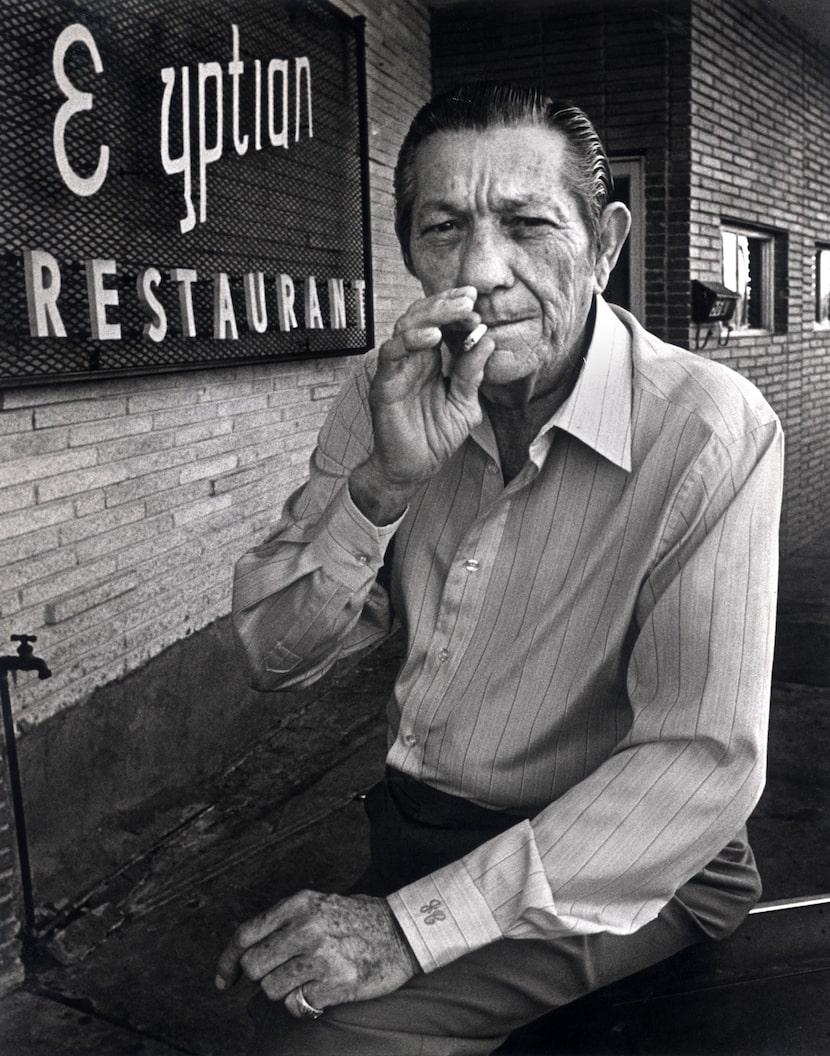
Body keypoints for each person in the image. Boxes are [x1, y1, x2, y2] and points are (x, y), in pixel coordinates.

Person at [215, 81, 783, 1055]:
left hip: (638, 861)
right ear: (408, 251)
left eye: (526, 224)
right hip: (417, 834)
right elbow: (272, 650)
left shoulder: (705, 428)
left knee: (314, 1046)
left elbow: (699, 763)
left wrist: (407, 926)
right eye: (444, 228)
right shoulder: (387, 395)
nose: (483, 270)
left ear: (604, 243)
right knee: (250, 996)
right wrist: (381, 488)